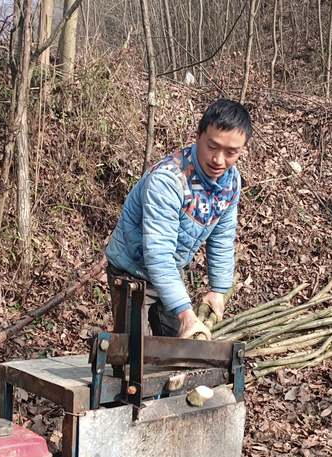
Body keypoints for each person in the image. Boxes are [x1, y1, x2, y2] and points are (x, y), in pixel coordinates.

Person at [105, 99, 252, 339]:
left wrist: (218, 290)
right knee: (134, 358)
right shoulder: (168, 180)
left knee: (180, 348)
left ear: (242, 149)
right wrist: (185, 312)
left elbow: (223, 238)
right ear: (198, 136)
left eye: (231, 152)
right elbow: (158, 253)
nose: (219, 160)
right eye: (212, 147)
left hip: (170, 272)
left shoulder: (230, 182)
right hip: (131, 271)